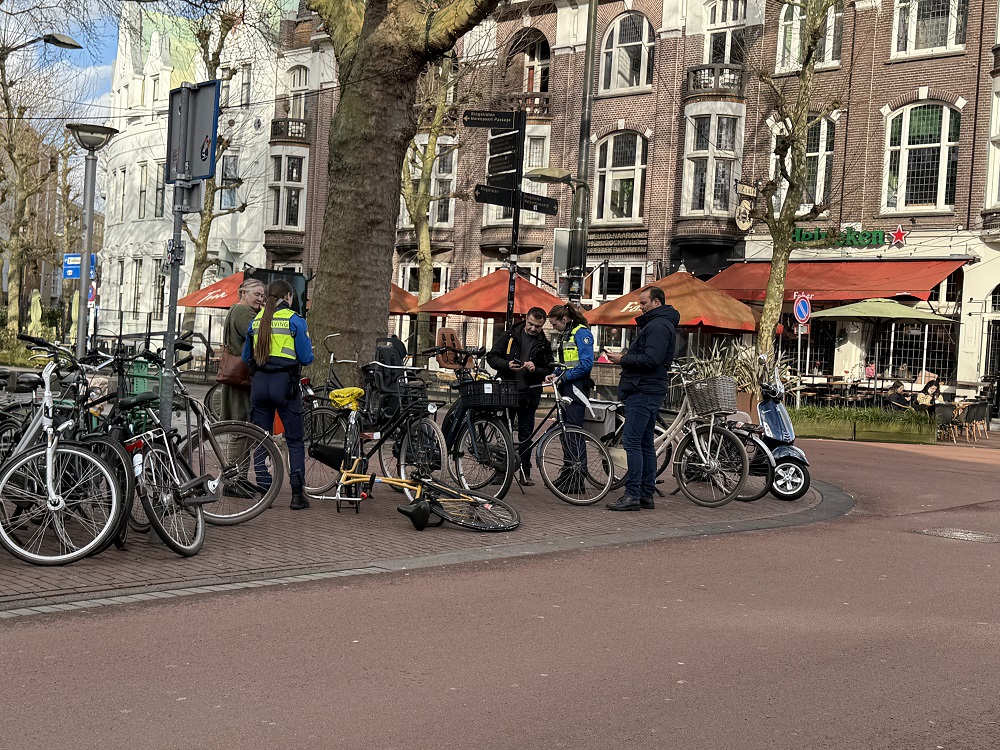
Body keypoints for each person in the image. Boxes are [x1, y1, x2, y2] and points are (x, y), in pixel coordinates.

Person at [606, 286, 680, 511]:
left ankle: (632, 495)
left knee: (632, 442)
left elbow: (651, 359)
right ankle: (646, 494)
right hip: (649, 389)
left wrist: (623, 359)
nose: (641, 306)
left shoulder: (657, 325)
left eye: (644, 303)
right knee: (646, 443)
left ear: (656, 303)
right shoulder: (662, 323)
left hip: (642, 390)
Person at [242, 280, 314, 510]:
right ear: (288, 297)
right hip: (285, 385)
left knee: (261, 438)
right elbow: (306, 357)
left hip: (260, 385)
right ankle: (296, 495)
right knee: (294, 441)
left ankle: (265, 491)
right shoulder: (295, 320)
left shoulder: (256, 320)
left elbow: (246, 357)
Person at [487, 307, 554, 485]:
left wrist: (536, 369)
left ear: (543, 325)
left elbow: (549, 369)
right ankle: (501, 471)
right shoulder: (510, 336)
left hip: (529, 394)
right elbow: (492, 357)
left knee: (526, 434)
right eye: (531, 324)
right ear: (526, 318)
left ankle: (525, 472)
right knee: (504, 433)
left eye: (538, 326)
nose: (533, 329)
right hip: (507, 391)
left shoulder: (544, 344)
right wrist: (506, 365)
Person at [545, 303, 595, 494]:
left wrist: (563, 377)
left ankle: (578, 478)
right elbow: (568, 362)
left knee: (574, 433)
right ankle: (568, 473)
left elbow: (585, 364)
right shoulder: (567, 333)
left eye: (554, 324)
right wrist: (555, 373)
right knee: (565, 432)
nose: (553, 328)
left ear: (564, 319)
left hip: (576, 388)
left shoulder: (581, 334)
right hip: (567, 386)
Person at [220, 278, 265, 422]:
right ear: (244, 293)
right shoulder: (243, 312)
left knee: (239, 423)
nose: (260, 299)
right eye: (257, 295)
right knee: (242, 424)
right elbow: (259, 335)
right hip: (242, 373)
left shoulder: (235, 309)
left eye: (262, 296)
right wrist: (265, 314)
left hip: (236, 372)